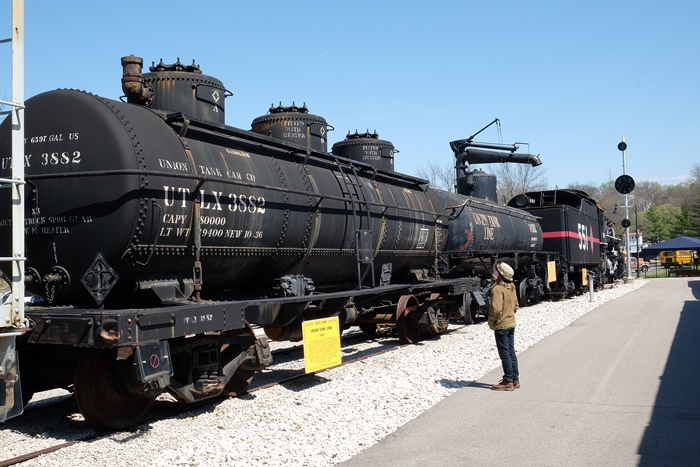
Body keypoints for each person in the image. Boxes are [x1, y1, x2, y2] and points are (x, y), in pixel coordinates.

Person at [488, 262, 519, 391]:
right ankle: (515, 378)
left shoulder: (497, 289)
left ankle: (508, 381)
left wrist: (491, 322)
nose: (493, 272)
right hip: (511, 323)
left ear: (500, 274)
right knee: (511, 352)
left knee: (504, 353)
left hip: (501, 325)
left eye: (495, 270)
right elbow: (516, 305)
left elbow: (495, 309)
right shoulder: (512, 287)